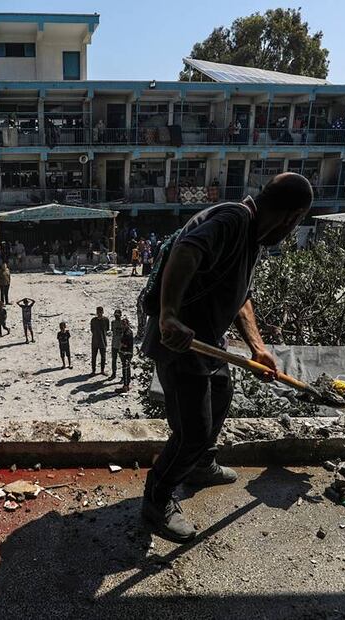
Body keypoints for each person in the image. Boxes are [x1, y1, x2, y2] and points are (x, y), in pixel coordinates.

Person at [140, 172, 313, 543]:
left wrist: (258, 348)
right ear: (291, 217)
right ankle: (157, 499)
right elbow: (187, 251)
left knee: (221, 398)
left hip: (211, 344)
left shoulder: (252, 236)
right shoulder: (233, 220)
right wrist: (169, 314)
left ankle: (200, 465)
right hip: (181, 343)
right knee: (192, 432)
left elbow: (241, 297)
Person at [89, 306, 110, 375]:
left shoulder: (106, 320)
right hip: (95, 341)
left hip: (103, 341)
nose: (99, 313)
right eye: (98, 312)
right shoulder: (93, 320)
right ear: (96, 312)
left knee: (103, 357)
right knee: (94, 357)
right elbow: (92, 330)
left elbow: (107, 329)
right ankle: (93, 371)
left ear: (103, 312)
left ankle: (102, 370)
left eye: (100, 312)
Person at [118, 317, 134, 391]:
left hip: (127, 353)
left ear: (127, 324)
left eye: (124, 324)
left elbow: (127, 344)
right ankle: (127, 384)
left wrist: (121, 345)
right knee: (126, 368)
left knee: (125, 369)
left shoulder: (128, 333)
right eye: (122, 324)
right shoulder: (124, 331)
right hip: (124, 353)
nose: (123, 325)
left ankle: (125, 386)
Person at [109, 309, 125, 379]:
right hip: (114, 344)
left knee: (123, 361)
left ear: (120, 315)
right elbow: (113, 331)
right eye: (115, 315)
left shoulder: (123, 323)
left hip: (121, 344)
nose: (116, 316)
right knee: (114, 360)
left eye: (118, 315)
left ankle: (123, 376)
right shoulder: (113, 322)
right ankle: (114, 373)